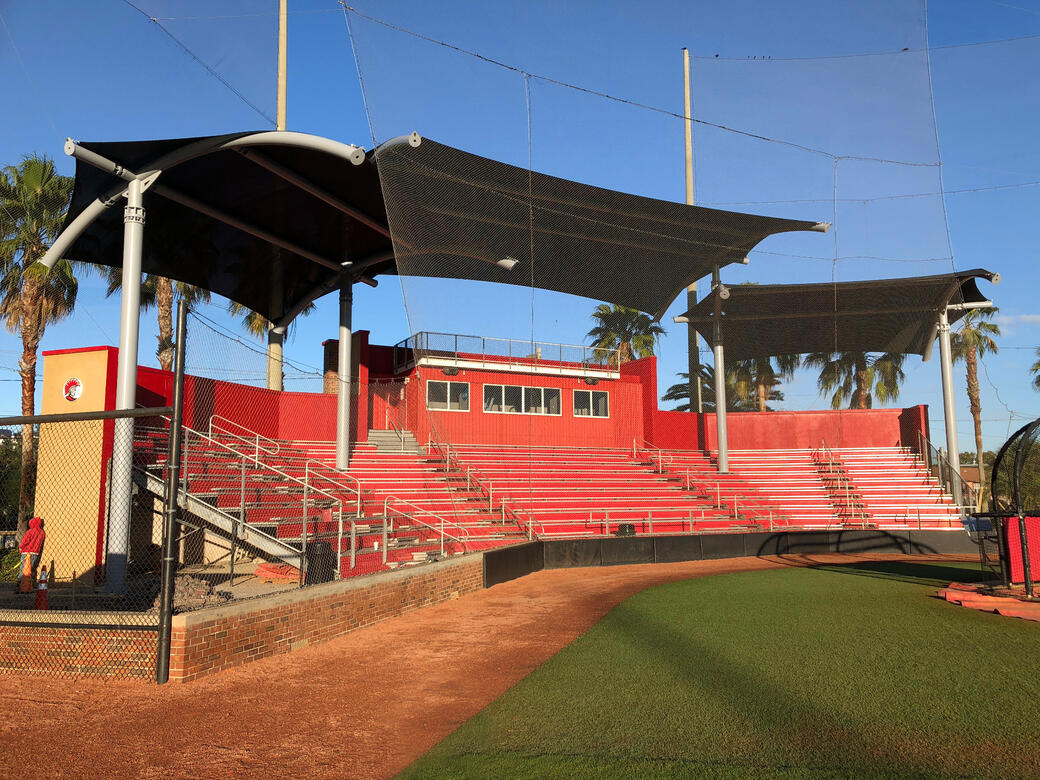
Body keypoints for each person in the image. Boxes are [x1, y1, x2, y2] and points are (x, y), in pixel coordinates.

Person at [18, 517, 46, 591]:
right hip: (36, 552)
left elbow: (25, 541)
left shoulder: (30, 531)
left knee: (24, 569)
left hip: (27, 552)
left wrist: (21, 548)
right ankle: (32, 584)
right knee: (33, 568)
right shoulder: (42, 532)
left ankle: (20, 584)